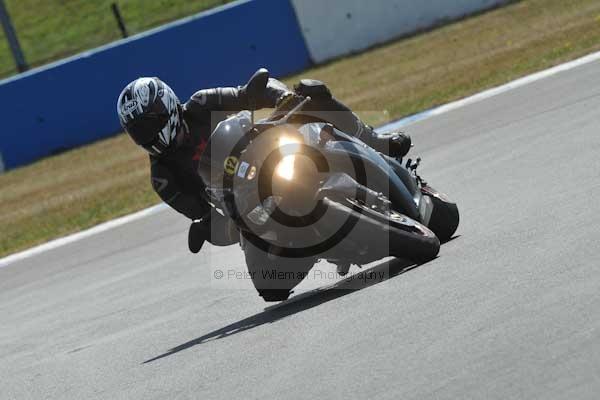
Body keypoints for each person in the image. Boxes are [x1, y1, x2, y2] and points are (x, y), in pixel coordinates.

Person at [116, 72, 411, 253]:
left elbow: (249, 93)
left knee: (313, 93)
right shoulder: (162, 177)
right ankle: (319, 247)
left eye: (147, 125)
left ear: (165, 107)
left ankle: (376, 143)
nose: (146, 135)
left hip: (270, 150)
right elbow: (205, 216)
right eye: (137, 131)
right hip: (249, 202)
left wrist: (281, 95)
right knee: (270, 287)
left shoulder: (201, 104)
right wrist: (208, 228)